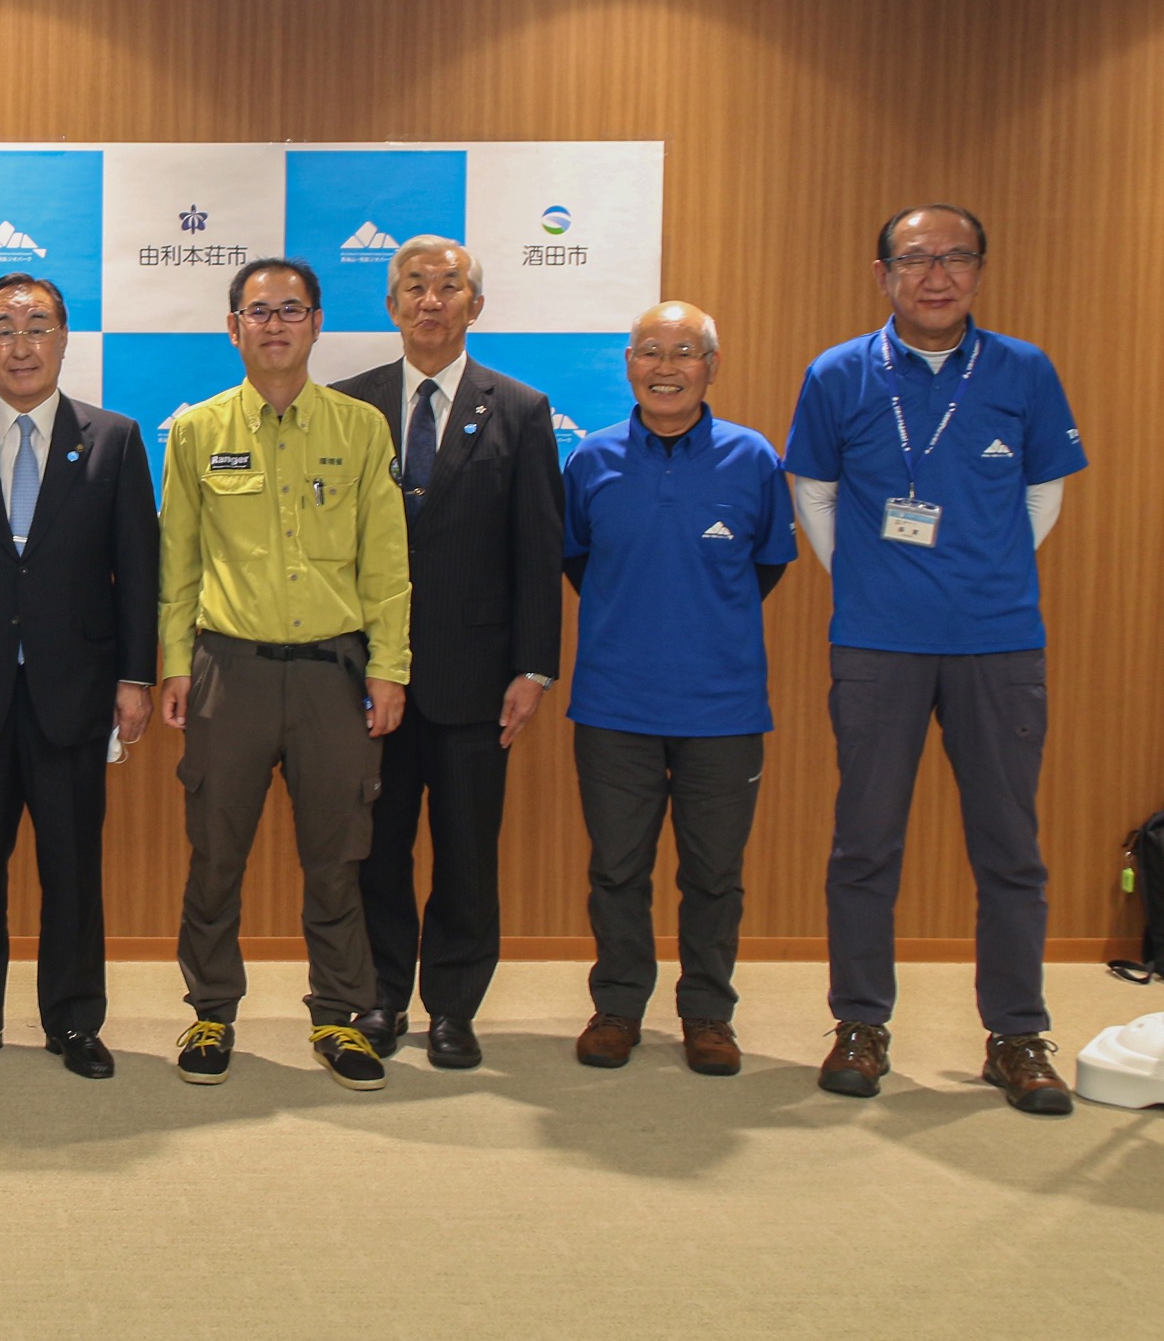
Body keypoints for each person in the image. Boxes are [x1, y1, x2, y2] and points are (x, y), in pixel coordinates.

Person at [784, 204, 1085, 1115]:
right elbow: (814, 491)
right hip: (878, 643)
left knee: (1010, 849)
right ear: (883, 274)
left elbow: (1043, 494)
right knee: (865, 844)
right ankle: (860, 1024)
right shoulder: (838, 373)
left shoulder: (1024, 369)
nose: (936, 275)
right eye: (916, 259)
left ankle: (1017, 1035)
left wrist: (982, 572)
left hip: (999, 641)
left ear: (980, 271)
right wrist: (871, 582)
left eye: (956, 257)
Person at [0, 274, 159, 1080]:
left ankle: (74, 1021)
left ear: (64, 338)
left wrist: (136, 677)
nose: (21, 344)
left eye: (37, 325)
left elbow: (137, 570)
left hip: (75, 690)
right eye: (3, 327)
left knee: (72, 866)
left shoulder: (113, 439)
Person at [160, 257, 409, 1090]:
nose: (274, 325)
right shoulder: (197, 430)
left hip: (333, 677)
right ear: (233, 327)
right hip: (227, 672)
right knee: (215, 855)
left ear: (317, 323)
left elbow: (387, 562)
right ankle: (210, 1012)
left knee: (338, 859)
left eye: (291, 310)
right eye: (258, 311)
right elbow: (178, 562)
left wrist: (390, 667)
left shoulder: (360, 428)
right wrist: (174, 665)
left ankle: (340, 1016)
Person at [332, 235, 564, 1071]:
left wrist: (533, 667)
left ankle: (455, 1008)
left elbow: (539, 547)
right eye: (414, 286)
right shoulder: (348, 405)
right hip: (372, 678)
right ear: (391, 304)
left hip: (477, 680)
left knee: (467, 853)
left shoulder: (521, 409)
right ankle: (382, 997)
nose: (431, 300)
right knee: (378, 852)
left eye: (448, 286)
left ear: (476, 304)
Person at [560, 303, 795, 1076]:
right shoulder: (590, 459)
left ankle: (708, 1015)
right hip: (614, 704)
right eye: (651, 351)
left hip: (723, 708)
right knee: (617, 870)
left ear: (711, 367)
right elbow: (578, 560)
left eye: (685, 352)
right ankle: (617, 1008)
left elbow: (765, 564)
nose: (667, 367)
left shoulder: (753, 458)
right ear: (628, 363)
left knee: (714, 876)